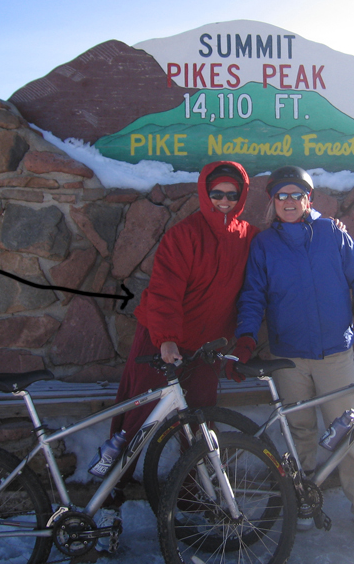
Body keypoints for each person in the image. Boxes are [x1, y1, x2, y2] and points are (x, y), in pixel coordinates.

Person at [94, 161, 259, 551]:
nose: (222, 200)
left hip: (204, 350)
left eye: (231, 194)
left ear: (241, 197)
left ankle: (192, 498)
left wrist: (238, 346)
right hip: (161, 343)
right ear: (204, 193)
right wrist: (166, 339)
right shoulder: (184, 235)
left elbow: (251, 292)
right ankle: (108, 504)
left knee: (202, 423)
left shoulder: (247, 236)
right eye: (215, 193)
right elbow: (165, 290)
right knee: (136, 422)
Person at [233, 165, 354, 541]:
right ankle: (304, 499)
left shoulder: (332, 234)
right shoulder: (264, 244)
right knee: (300, 432)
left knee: (346, 434)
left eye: (296, 195)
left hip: (334, 353)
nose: (289, 202)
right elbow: (254, 296)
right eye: (281, 196)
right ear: (273, 202)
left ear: (309, 199)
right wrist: (245, 337)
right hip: (288, 356)